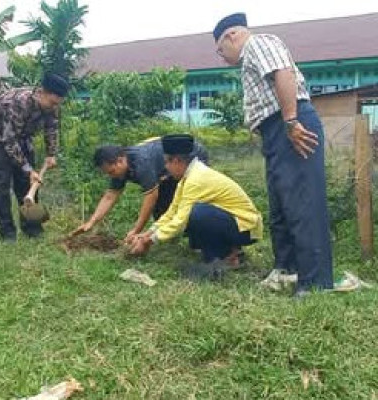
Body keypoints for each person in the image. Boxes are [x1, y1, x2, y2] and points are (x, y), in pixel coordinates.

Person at [213, 13, 333, 296]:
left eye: (220, 49)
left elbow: (283, 73)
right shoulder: (248, 61)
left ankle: (316, 284)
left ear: (232, 35)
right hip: (276, 131)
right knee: (282, 206)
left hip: (292, 124)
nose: (222, 56)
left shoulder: (258, 44)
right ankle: (287, 270)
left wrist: (291, 121)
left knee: (303, 204)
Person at [129, 134, 262, 266]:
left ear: (176, 161)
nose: (166, 167)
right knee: (194, 215)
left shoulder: (196, 179)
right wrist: (148, 233)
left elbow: (180, 220)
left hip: (247, 228)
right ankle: (225, 251)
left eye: (166, 162)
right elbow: (172, 212)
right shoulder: (188, 177)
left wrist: (149, 241)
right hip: (234, 222)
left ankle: (228, 255)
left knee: (196, 213)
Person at [0, 73, 69, 241]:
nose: (53, 107)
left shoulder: (53, 105)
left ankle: (32, 228)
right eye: (52, 102)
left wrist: (51, 154)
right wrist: (28, 169)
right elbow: (9, 140)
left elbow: (52, 128)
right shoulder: (20, 102)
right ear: (41, 92)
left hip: (22, 137)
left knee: (28, 184)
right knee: (2, 185)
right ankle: (7, 234)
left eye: (57, 103)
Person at [71, 136, 208, 243]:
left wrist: (136, 230)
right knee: (162, 204)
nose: (111, 176)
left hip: (190, 154)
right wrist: (91, 222)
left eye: (111, 172)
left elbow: (151, 196)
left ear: (120, 160)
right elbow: (110, 196)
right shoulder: (120, 168)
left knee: (187, 198)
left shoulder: (141, 162)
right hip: (164, 171)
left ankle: (196, 235)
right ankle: (169, 236)